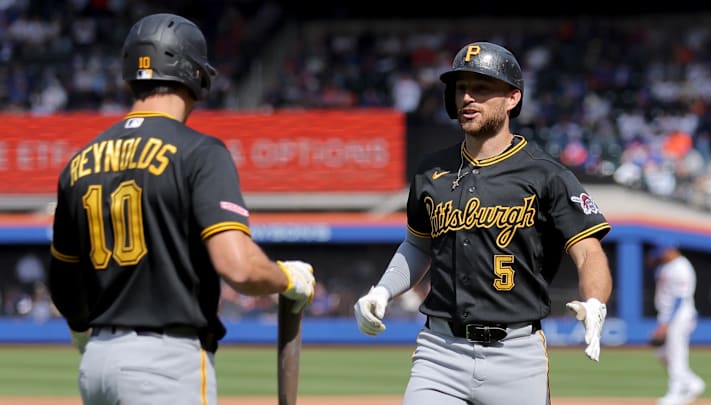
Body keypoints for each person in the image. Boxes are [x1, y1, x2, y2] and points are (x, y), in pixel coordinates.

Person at [47, 13, 315, 405]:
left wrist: (88, 335)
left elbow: (66, 289)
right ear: (195, 74)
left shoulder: (79, 162)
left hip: (96, 365)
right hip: (166, 364)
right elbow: (237, 266)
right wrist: (284, 278)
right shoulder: (201, 152)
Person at [353, 41, 613, 405]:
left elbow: (588, 252)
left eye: (482, 88)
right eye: (461, 88)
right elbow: (417, 245)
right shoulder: (432, 170)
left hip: (517, 354)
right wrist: (381, 290)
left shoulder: (546, 173)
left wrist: (595, 302)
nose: (467, 98)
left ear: (512, 98)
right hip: (440, 351)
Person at [647, 242, 705, 405]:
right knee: (661, 353)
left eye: (662, 252)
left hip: (680, 315)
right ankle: (692, 382)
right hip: (666, 314)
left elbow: (680, 298)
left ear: (672, 249)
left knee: (676, 354)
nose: (660, 255)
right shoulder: (665, 266)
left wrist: (666, 324)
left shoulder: (682, 268)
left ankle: (675, 393)